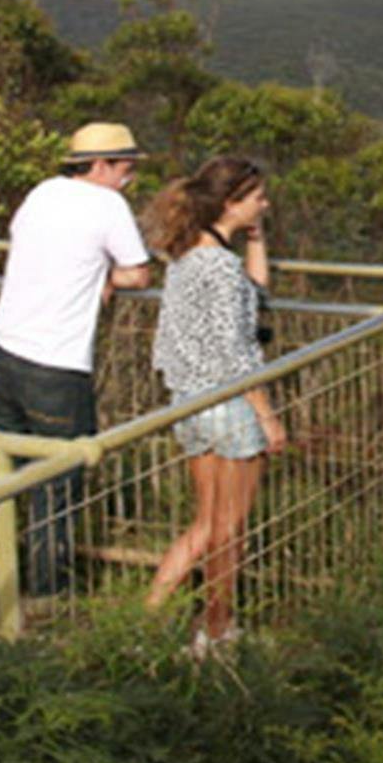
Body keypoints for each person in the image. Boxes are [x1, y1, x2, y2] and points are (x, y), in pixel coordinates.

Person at [0, 122, 154, 614]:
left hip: (6, 352)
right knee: (58, 481)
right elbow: (139, 271)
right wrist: (109, 276)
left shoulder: (41, 193)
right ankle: (48, 600)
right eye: (125, 167)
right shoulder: (107, 206)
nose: (129, 179)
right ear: (99, 166)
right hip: (58, 365)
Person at [141, 155, 285, 652]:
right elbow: (237, 352)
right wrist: (267, 417)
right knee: (229, 531)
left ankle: (145, 620)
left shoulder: (188, 254)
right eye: (257, 199)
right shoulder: (219, 268)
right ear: (231, 202)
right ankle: (216, 630)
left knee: (207, 524)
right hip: (228, 409)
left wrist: (256, 239)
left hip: (190, 402)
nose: (264, 205)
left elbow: (256, 294)